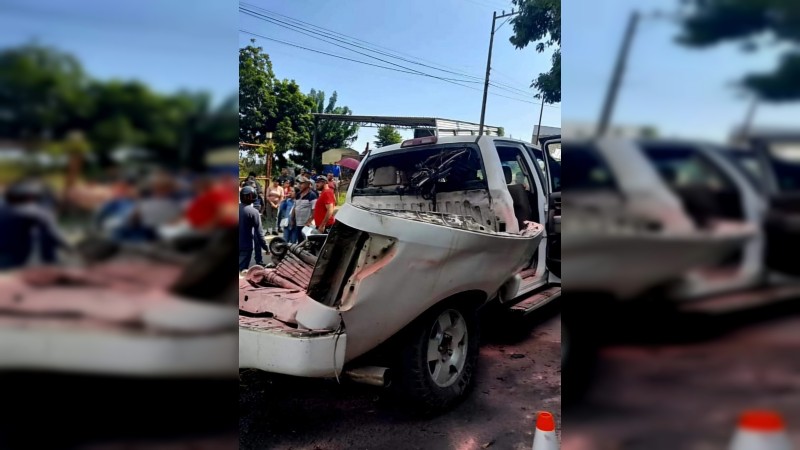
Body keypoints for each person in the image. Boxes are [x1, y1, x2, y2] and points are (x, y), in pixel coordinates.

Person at [0, 184, 73, 269]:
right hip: (13, 254)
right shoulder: (34, 211)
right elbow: (52, 233)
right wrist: (68, 246)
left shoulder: (4, 205)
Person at [239, 185, 269, 271]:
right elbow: (259, 233)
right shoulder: (254, 212)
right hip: (245, 246)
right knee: (241, 272)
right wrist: (265, 247)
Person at [290, 176, 317, 243]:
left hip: (306, 225)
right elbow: (295, 207)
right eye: (299, 183)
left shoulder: (312, 195)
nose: (300, 185)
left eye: (302, 183)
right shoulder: (298, 194)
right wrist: (292, 219)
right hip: (298, 223)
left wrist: (309, 221)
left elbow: (314, 210)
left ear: (307, 184)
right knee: (299, 241)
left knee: (306, 243)